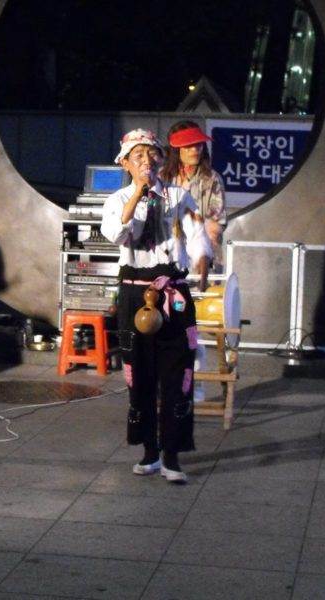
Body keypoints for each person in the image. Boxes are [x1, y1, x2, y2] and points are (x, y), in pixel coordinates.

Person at [101, 128, 211, 484]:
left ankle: (172, 456)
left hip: (172, 292)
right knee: (140, 374)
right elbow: (117, 234)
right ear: (125, 164)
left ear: (162, 160)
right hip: (134, 293)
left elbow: (196, 233)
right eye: (138, 157)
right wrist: (138, 193)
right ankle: (149, 451)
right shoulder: (117, 199)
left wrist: (202, 260)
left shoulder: (178, 195)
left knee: (177, 375)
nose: (146, 161)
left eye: (152, 155)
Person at [160, 121, 226, 271]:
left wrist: (203, 251)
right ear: (176, 150)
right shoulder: (161, 178)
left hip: (202, 258)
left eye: (199, 145)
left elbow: (216, 222)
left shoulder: (212, 179)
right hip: (165, 257)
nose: (195, 150)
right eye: (188, 146)